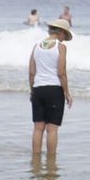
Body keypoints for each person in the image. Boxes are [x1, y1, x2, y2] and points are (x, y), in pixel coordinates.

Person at [28, 17, 72, 160]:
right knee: (52, 129)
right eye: (65, 35)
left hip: (38, 89)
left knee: (38, 128)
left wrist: (32, 90)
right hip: (54, 89)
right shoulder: (60, 47)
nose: (64, 39)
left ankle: (35, 159)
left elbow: (31, 72)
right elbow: (61, 72)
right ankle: (51, 161)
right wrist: (67, 93)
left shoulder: (37, 45)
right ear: (60, 32)